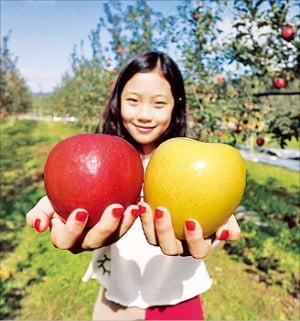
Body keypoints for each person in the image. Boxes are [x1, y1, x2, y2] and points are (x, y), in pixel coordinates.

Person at [26, 51, 241, 320]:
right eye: (133, 100)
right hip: (116, 300)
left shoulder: (191, 166)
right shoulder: (100, 163)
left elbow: (210, 213)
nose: (144, 114)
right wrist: (63, 200)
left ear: (177, 104)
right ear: (118, 101)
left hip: (177, 299)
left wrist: (213, 226)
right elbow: (78, 195)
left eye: (159, 103)